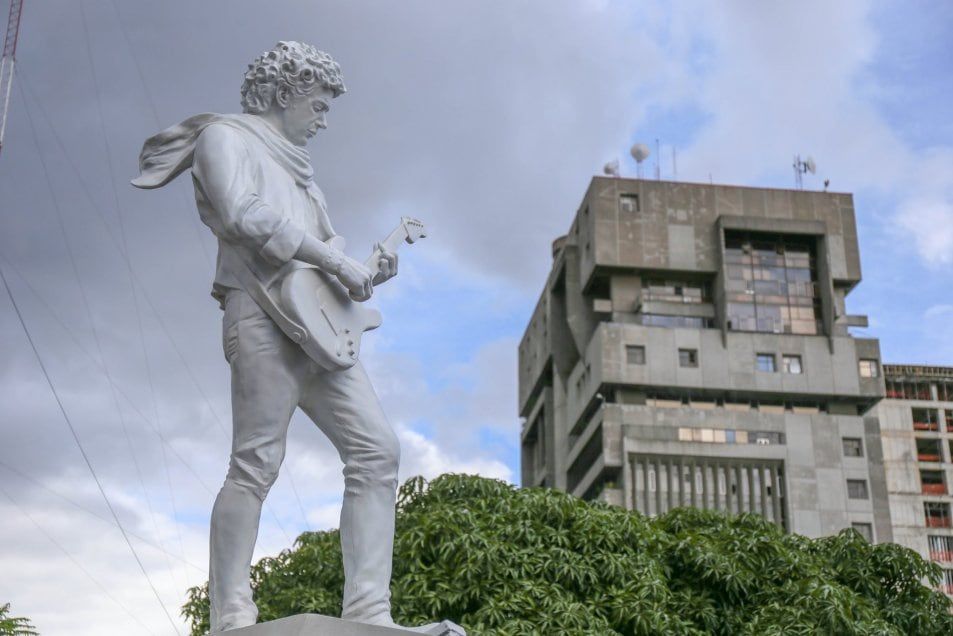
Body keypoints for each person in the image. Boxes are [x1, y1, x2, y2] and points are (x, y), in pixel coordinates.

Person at [133, 41, 458, 634]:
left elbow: (328, 268)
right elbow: (242, 215)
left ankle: (369, 612)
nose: (324, 119)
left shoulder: (308, 181)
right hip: (259, 318)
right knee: (256, 461)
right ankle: (231, 612)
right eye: (319, 104)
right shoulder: (225, 138)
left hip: (321, 335)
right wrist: (337, 267)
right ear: (285, 94)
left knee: (377, 451)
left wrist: (366, 272)